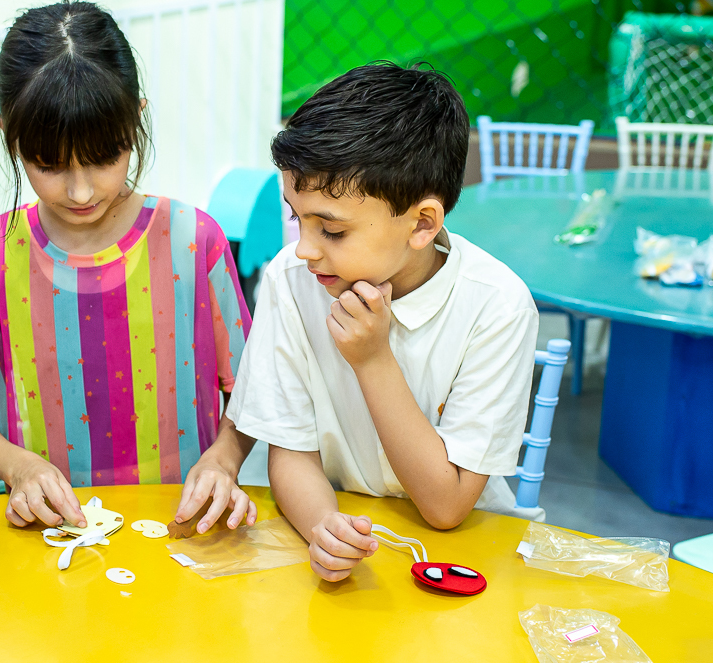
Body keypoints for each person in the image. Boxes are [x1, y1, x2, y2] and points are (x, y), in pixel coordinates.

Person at [0, 0, 257, 534]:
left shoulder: (195, 241)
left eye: (104, 157)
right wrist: (19, 467)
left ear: (135, 119)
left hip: (184, 529)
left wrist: (224, 459)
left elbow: (249, 395)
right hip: (52, 535)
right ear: (7, 133)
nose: (80, 191)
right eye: (49, 164)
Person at [224, 63, 541, 582]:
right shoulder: (292, 280)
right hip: (347, 534)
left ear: (422, 224)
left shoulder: (497, 306)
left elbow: (446, 506)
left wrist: (372, 360)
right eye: (297, 218)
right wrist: (324, 528)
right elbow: (291, 453)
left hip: (466, 553)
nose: (304, 250)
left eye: (331, 230)